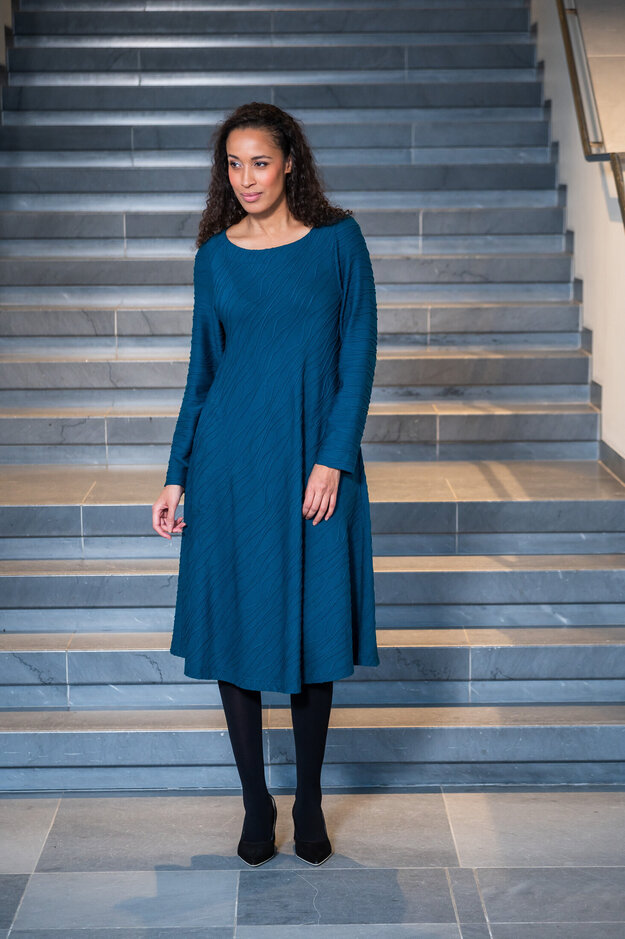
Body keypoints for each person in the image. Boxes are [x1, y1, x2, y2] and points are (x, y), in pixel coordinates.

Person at [152, 101, 379, 868]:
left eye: (258, 162)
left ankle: (308, 798)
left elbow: (358, 353)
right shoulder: (215, 256)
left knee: (314, 630)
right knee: (236, 632)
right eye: (232, 164)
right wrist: (176, 474)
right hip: (230, 467)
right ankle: (256, 800)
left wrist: (333, 457)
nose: (245, 178)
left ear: (288, 163)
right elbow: (202, 374)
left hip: (314, 463)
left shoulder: (339, 241)